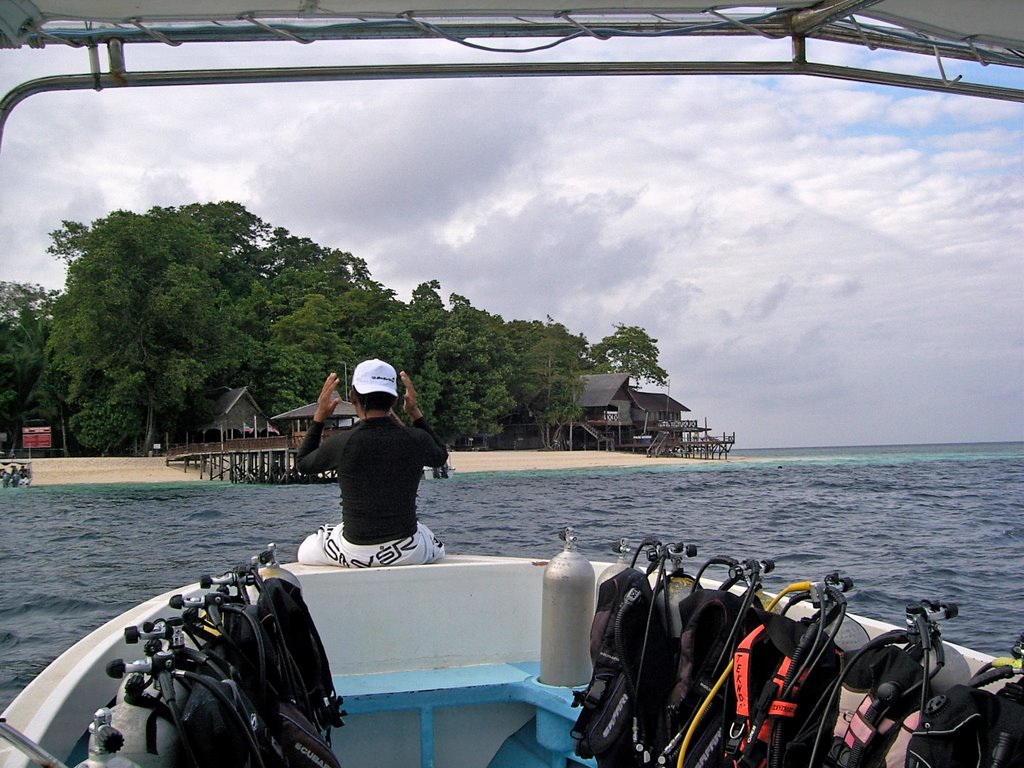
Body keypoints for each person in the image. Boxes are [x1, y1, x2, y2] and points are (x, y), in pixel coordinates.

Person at [295, 358, 448, 568]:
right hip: (406, 552)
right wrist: (414, 412)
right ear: (395, 400)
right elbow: (440, 456)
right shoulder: (416, 439)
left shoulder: (343, 443)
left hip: (354, 552)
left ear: (352, 396)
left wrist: (320, 416)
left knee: (307, 548)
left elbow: (303, 463)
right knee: (429, 537)